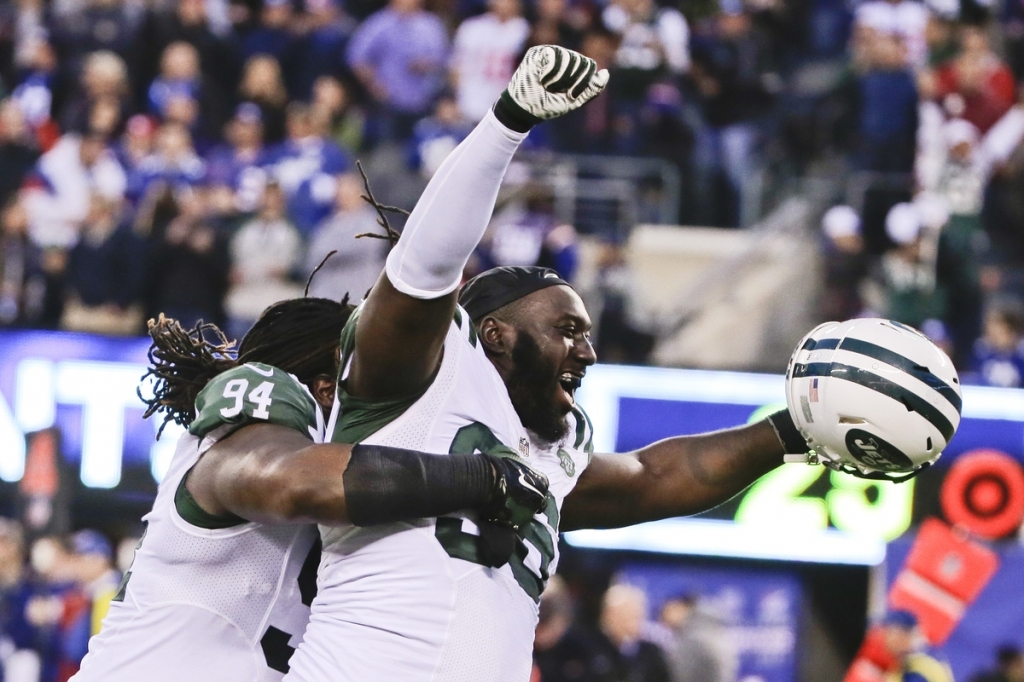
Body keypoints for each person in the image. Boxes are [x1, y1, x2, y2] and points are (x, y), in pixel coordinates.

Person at [284, 46, 803, 682]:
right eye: (566, 331)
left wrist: (791, 433)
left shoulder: (552, 453)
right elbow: (423, 266)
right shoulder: (424, 376)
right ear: (495, 335)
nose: (585, 351)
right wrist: (506, 123)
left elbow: (656, 475)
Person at [71, 297, 548, 682]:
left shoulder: (379, 475)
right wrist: (483, 479)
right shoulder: (259, 400)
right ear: (326, 386)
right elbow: (296, 483)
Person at [595, 584, 671, 682]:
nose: (629, 623)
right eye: (622, 616)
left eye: (634, 615)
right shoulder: (594, 649)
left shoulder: (651, 653)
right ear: (607, 616)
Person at [879, 610, 953, 682]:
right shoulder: (914, 660)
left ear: (904, 636)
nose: (885, 638)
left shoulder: (919, 671)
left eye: (889, 633)